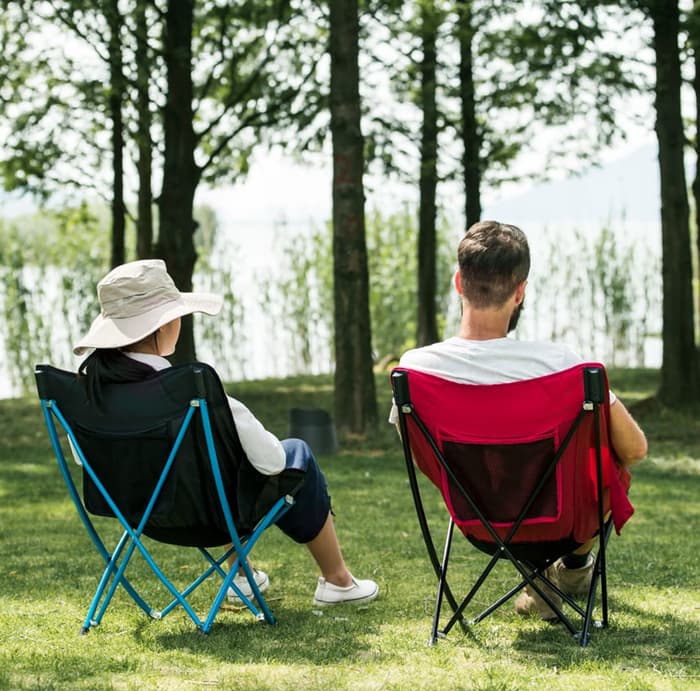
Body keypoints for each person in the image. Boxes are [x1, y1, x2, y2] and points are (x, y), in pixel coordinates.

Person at [73, 258, 378, 607]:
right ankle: (338, 581)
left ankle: (242, 576)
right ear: (162, 325)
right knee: (295, 455)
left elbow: (84, 458)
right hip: (211, 516)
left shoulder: (84, 393)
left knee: (212, 471)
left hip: (137, 516)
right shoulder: (191, 393)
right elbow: (273, 461)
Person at [389, 220, 647, 620]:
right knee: (608, 462)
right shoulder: (563, 367)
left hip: (478, 522)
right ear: (520, 291)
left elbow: (423, 457)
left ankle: (540, 582)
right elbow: (635, 449)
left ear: (459, 283)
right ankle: (574, 567)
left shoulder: (416, 371)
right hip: (564, 524)